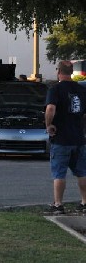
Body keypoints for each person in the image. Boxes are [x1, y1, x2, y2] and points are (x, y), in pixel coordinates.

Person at [44, 60, 86, 215]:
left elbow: (50, 109)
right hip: (79, 138)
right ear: (71, 72)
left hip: (61, 138)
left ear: (58, 72)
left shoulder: (55, 89)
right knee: (82, 172)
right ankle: (84, 202)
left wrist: (49, 125)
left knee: (59, 172)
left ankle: (58, 205)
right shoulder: (81, 90)